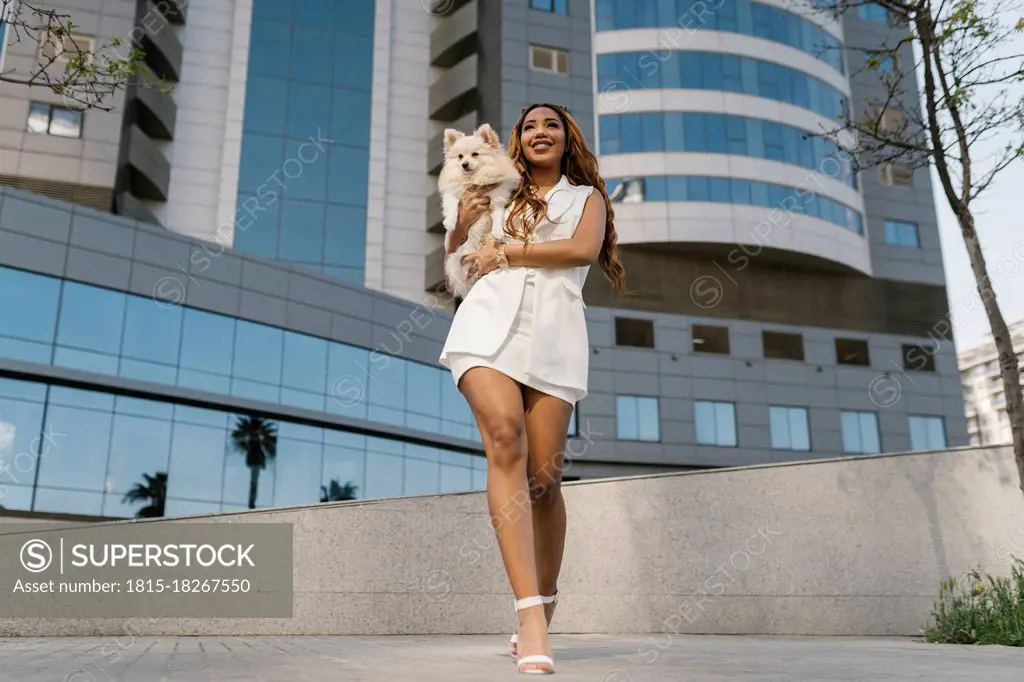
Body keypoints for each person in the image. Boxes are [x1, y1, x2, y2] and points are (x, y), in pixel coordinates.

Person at [438, 103, 627, 675]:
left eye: (551, 125)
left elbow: (580, 251)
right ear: (517, 140)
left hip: (553, 337)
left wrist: (509, 250)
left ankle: (545, 598)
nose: (539, 132)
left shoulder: (585, 199)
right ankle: (530, 617)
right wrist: (461, 227)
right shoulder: (497, 188)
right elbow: (459, 267)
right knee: (505, 439)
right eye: (529, 126)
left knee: (544, 479)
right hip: (486, 326)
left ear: (567, 140)